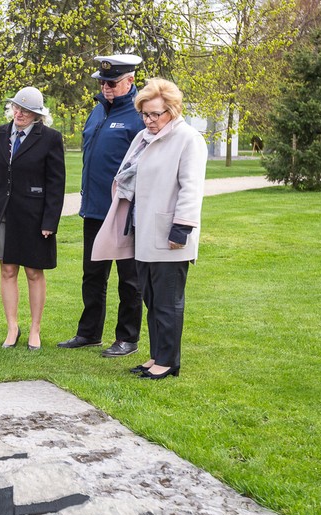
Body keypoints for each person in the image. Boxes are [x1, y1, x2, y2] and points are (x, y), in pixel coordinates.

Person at [92, 78, 207, 379]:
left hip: (170, 234)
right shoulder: (143, 138)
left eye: (156, 114)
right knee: (152, 300)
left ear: (172, 110)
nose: (149, 120)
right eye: (145, 114)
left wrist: (181, 229)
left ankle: (168, 361)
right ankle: (157, 355)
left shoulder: (188, 139)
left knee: (168, 302)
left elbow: (191, 188)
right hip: (143, 231)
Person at [58, 54, 146, 358]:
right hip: (94, 209)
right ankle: (89, 332)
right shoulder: (97, 111)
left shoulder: (139, 115)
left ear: (130, 80)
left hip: (123, 211)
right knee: (93, 274)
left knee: (129, 279)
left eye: (112, 83)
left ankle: (127, 338)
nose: (106, 88)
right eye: (102, 83)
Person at [0, 86, 65, 350]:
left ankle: (35, 329)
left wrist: (50, 221)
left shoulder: (50, 138)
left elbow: (56, 183)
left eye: (26, 111)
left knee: (33, 271)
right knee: (7, 269)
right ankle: (12, 328)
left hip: (33, 215)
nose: (20, 113)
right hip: (2, 212)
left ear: (37, 115)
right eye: (17, 107)